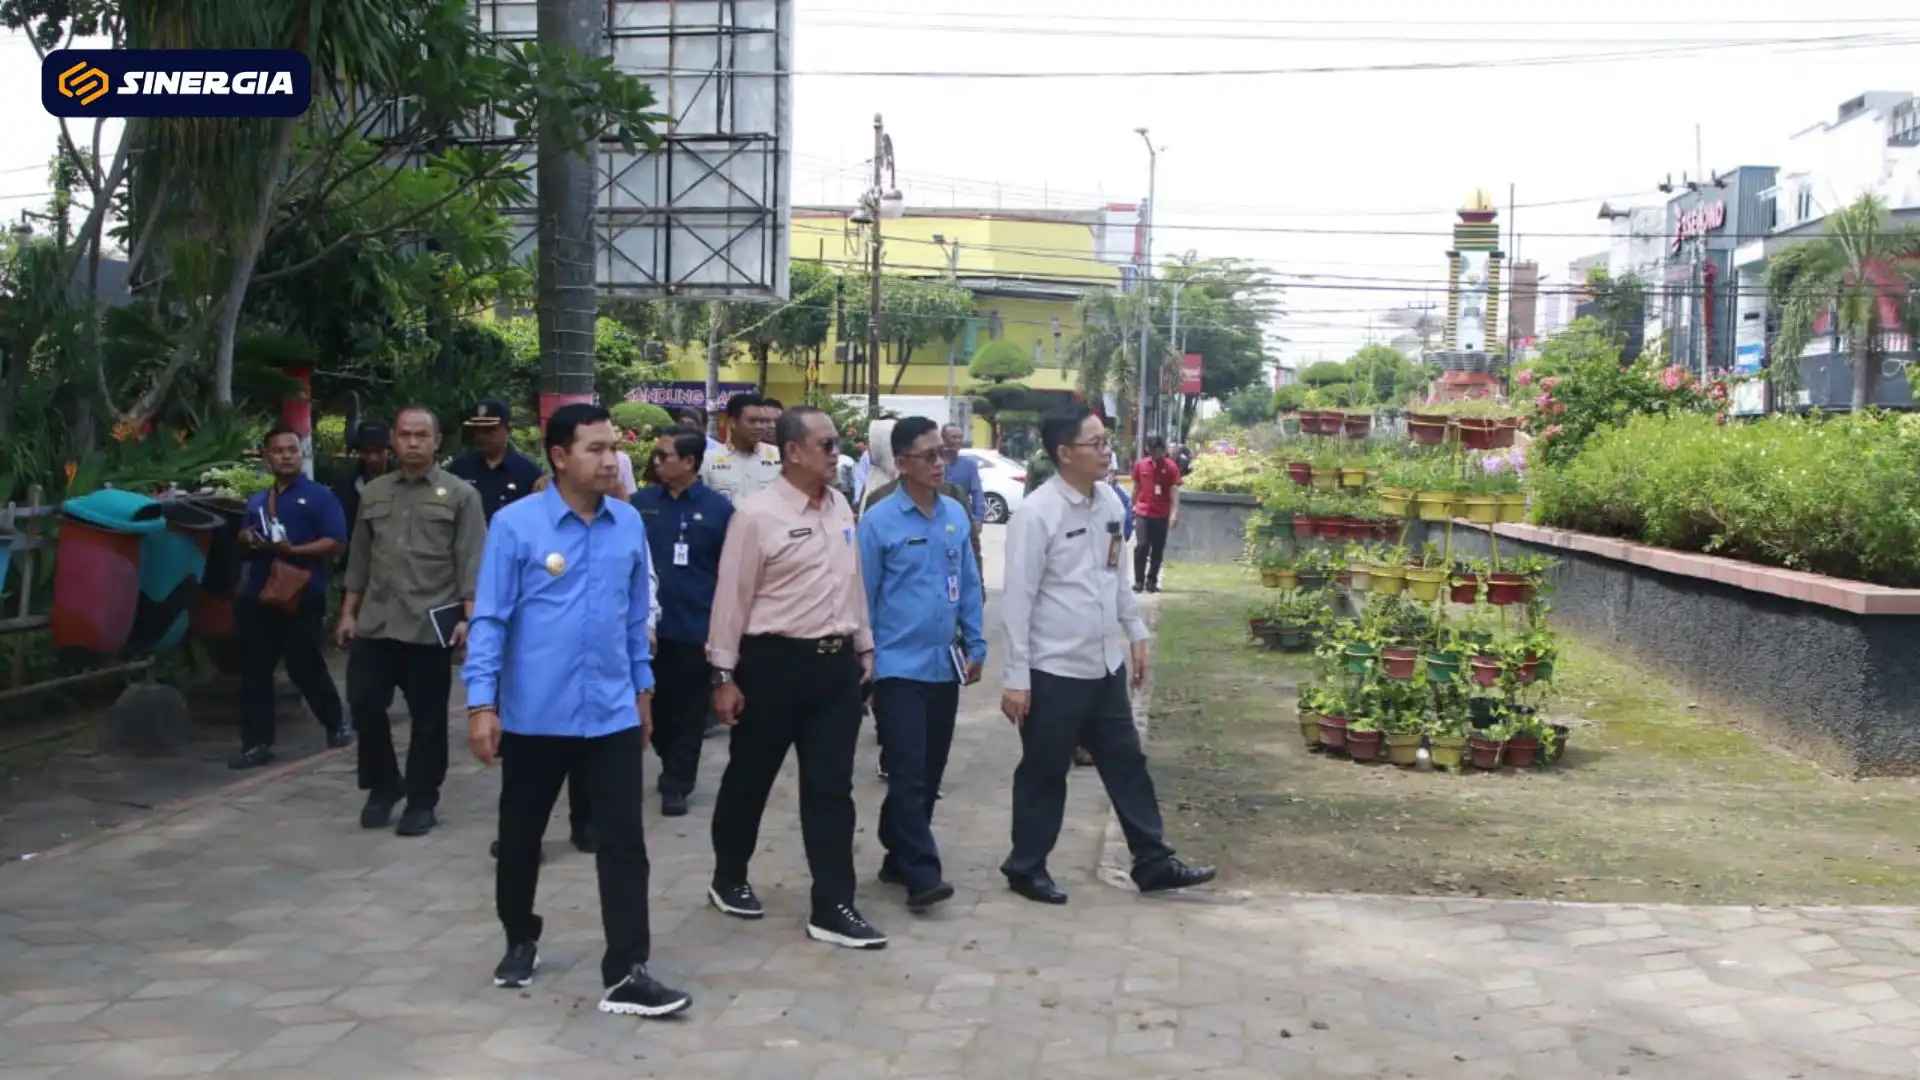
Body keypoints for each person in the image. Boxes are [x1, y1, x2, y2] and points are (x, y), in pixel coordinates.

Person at [462, 403, 690, 1018]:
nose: (611, 459)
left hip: (611, 713)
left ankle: (628, 969)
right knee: (519, 839)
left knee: (624, 842)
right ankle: (520, 934)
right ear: (560, 457)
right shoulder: (515, 526)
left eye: (613, 447)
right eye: (595, 448)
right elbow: (490, 618)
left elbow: (634, 616)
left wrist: (643, 692)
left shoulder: (626, 524)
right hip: (535, 715)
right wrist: (481, 702)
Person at [999, 405, 1216, 905]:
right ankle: (1026, 866)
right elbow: (1017, 600)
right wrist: (1016, 678)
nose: (1106, 451)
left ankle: (1153, 861)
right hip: (1053, 669)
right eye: (1095, 443)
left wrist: (1136, 634)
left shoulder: (1111, 505)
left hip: (1104, 665)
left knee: (1126, 761)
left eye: (1105, 441)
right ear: (1064, 453)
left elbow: (1115, 577)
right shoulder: (1037, 514)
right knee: (1045, 771)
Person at [705, 405, 885, 949]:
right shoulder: (756, 516)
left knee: (832, 787)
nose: (837, 454)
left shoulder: (841, 509)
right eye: (827, 445)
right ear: (793, 452)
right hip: (772, 665)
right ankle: (728, 873)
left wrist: (865, 646)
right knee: (750, 777)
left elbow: (852, 584)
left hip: (834, 667)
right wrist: (723, 675)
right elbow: (731, 599)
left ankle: (833, 904)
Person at [337, 406, 487, 837]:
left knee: (428, 719)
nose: (413, 443)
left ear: (437, 441)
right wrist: (348, 612)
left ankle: (422, 800)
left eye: (422, 435)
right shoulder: (375, 493)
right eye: (405, 435)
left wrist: (470, 622)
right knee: (364, 705)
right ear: (393, 441)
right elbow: (360, 559)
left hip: (429, 624)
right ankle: (384, 783)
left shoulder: (461, 496)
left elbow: (472, 564)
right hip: (377, 622)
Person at [858, 417, 986, 913]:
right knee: (908, 770)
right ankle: (921, 872)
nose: (939, 462)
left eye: (943, 454)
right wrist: (864, 665)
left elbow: (969, 585)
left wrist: (977, 644)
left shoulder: (954, 514)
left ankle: (896, 849)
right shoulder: (879, 522)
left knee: (930, 771)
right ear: (903, 463)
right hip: (896, 668)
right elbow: (863, 596)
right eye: (929, 455)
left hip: (944, 666)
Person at [231, 426, 351, 769]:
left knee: (304, 664)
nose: (286, 455)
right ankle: (256, 743)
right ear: (267, 456)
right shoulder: (256, 501)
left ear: (301, 455)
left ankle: (335, 722)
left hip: (303, 593)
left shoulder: (319, 497)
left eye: (292, 449)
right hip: (260, 594)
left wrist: (294, 549)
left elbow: (336, 542)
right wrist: (247, 540)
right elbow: (243, 545)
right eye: (279, 450)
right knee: (255, 671)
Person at [631, 426, 733, 817]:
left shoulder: (718, 509)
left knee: (690, 712)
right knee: (658, 708)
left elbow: (729, 571)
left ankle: (678, 781)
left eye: (664, 456)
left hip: (694, 626)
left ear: (689, 462)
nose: (656, 462)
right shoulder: (639, 505)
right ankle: (667, 754)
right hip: (648, 629)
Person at [448, 398, 545, 522]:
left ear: (508, 430)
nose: (481, 436)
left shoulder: (527, 472)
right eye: (478, 430)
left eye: (489, 431)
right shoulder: (460, 468)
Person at [701, 392, 782, 503]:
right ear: (732, 422)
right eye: (752, 421)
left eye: (762, 421)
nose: (759, 427)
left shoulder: (778, 456)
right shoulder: (708, 460)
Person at [1129, 435, 1183, 594]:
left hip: (1161, 514)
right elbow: (1136, 487)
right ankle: (1139, 581)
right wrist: (1131, 507)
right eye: (1153, 451)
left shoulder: (1171, 467)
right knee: (1142, 545)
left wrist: (1175, 513)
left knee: (1158, 549)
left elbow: (1174, 490)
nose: (1156, 455)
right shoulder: (1141, 465)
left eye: (1159, 451)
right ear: (1148, 449)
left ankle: (1152, 581)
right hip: (1143, 512)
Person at [332, 420, 392, 556]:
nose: (373, 458)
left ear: (388, 450)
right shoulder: (346, 482)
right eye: (366, 452)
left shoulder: (403, 480)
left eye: (378, 451)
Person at [937, 423, 987, 574]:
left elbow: (977, 492)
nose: (957, 441)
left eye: (959, 437)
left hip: (963, 521)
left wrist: (978, 519)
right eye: (953, 437)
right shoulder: (935, 464)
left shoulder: (969, 466)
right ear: (943, 438)